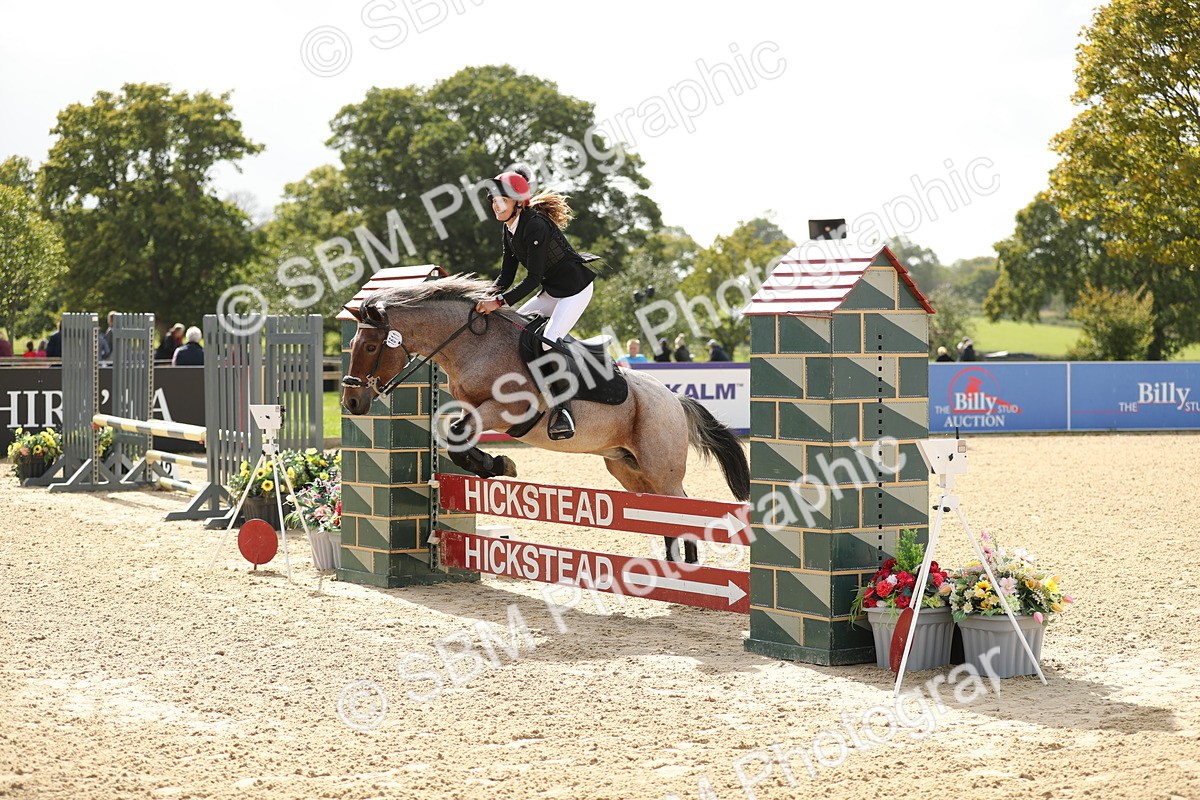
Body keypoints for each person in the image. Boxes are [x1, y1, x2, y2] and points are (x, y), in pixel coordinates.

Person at [474, 168, 602, 441]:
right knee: (514, 332)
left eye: (501, 200)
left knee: (547, 340)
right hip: (553, 290)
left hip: (575, 289)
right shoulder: (508, 229)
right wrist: (484, 296)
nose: (495, 205)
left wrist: (498, 302)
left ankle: (563, 411)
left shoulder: (535, 225)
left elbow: (531, 278)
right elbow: (506, 276)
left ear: (517, 202)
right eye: (493, 200)